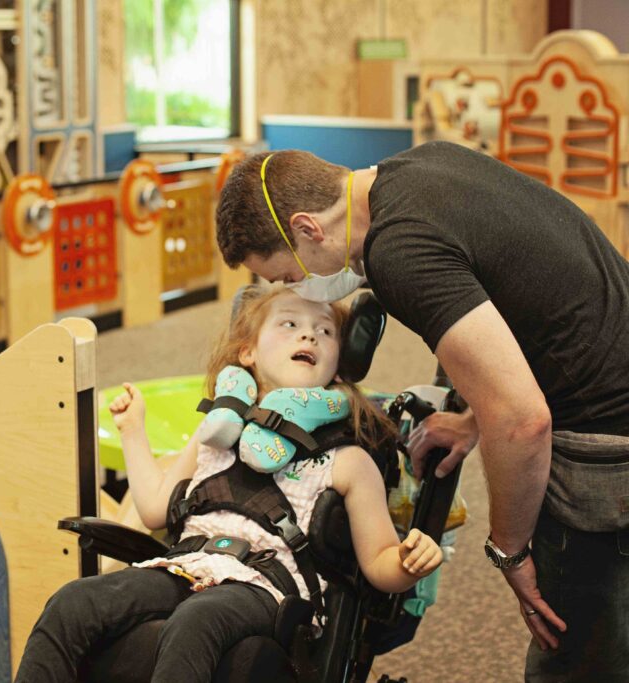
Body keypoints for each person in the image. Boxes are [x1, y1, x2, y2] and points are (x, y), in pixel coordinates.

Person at [215, 141, 629, 681]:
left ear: (309, 228)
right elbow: (524, 302)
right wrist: (475, 414)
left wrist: (509, 552)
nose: (297, 290)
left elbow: (524, 422)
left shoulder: (398, 253)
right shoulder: (419, 166)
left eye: (288, 276)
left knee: (580, 656)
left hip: (604, 442)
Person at [15, 287, 443, 683]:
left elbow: (380, 563)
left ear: (338, 366)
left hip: (267, 591)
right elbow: (154, 510)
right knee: (74, 602)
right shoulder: (216, 430)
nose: (309, 336)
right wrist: (132, 430)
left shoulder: (347, 460)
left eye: (325, 331)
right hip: (185, 566)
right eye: (290, 324)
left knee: (196, 620)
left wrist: (407, 562)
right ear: (248, 351)